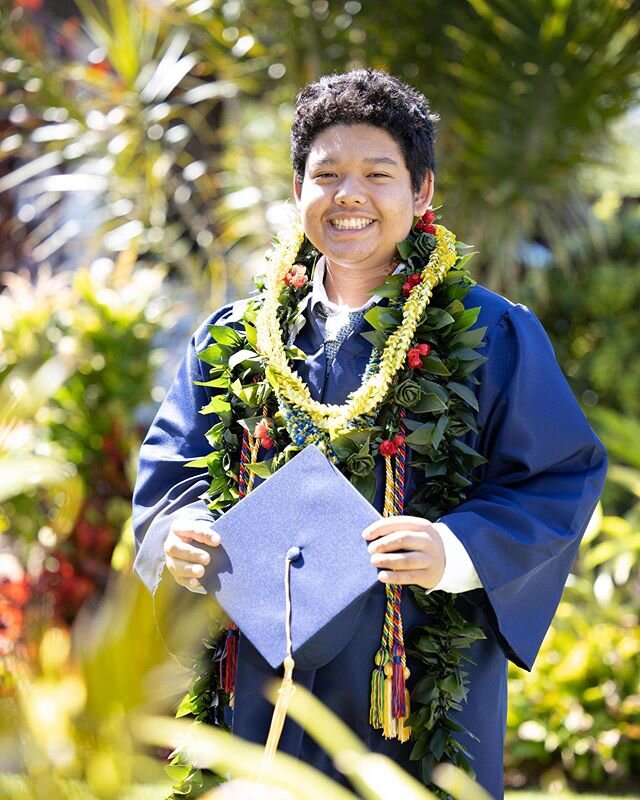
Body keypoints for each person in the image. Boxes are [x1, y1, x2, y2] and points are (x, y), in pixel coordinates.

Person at [132, 70, 607, 798]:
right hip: (263, 680)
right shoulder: (234, 340)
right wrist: (183, 530)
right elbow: (172, 476)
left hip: (413, 684)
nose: (348, 195)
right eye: (326, 174)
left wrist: (453, 547)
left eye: (377, 174)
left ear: (421, 192)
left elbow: (557, 477)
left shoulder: (492, 333)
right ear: (299, 192)